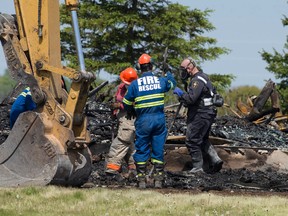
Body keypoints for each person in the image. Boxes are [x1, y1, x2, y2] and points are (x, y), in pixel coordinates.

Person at [123, 53, 176, 188]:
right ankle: (158, 180)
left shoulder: (135, 84)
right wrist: (168, 72)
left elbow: (126, 102)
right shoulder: (160, 81)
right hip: (158, 119)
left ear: (140, 68)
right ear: (151, 66)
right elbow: (171, 84)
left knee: (141, 148)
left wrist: (131, 111)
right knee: (158, 149)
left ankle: (141, 180)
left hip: (143, 121)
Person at [173, 57, 223, 174]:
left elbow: (191, 99)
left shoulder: (197, 81)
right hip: (207, 113)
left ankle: (197, 168)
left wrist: (181, 94)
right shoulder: (204, 77)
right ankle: (216, 160)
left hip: (200, 114)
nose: (183, 73)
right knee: (203, 139)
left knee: (192, 140)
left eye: (183, 70)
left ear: (189, 68)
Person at [105, 67, 138, 179]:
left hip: (129, 119)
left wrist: (120, 106)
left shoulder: (136, 89)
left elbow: (134, 104)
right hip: (122, 118)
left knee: (120, 143)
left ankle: (111, 170)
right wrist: (114, 111)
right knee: (129, 145)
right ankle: (134, 168)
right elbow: (117, 99)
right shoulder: (121, 87)